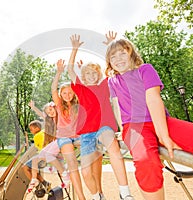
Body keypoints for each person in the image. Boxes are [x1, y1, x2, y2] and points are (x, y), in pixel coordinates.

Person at [105, 33, 193, 200]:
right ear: (109, 62)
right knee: (146, 162)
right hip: (134, 127)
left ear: (131, 53)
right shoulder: (113, 81)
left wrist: (163, 135)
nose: (118, 59)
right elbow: (116, 105)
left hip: (160, 121)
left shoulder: (146, 70)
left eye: (122, 52)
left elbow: (153, 100)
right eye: (113, 56)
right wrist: (122, 130)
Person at [67, 34, 134, 200]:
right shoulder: (81, 89)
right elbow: (69, 70)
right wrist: (75, 49)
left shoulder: (105, 85)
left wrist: (110, 44)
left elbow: (112, 66)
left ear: (98, 74)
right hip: (87, 133)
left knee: (113, 149)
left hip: (104, 127)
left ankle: (124, 193)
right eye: (87, 73)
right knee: (86, 171)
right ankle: (97, 196)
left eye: (94, 73)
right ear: (83, 76)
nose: (91, 76)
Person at [52, 59, 86, 200]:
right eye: (64, 93)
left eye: (70, 93)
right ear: (61, 95)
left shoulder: (78, 104)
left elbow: (82, 88)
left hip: (78, 137)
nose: (67, 95)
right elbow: (53, 88)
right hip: (65, 138)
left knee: (91, 160)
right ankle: (81, 197)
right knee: (72, 165)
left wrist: (79, 71)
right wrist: (59, 72)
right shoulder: (59, 105)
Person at [27, 100, 70, 193]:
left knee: (49, 155)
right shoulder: (51, 120)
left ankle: (64, 174)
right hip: (57, 141)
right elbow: (42, 115)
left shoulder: (61, 117)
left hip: (62, 140)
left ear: (54, 107)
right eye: (48, 112)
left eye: (51, 109)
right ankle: (34, 179)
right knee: (37, 158)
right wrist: (33, 107)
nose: (50, 112)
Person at [22, 120, 51, 193]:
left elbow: (39, 147)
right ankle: (45, 183)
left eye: (31, 129)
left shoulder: (37, 136)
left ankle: (37, 185)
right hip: (48, 157)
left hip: (42, 156)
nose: (31, 131)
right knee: (32, 169)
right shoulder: (44, 132)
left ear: (37, 128)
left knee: (25, 167)